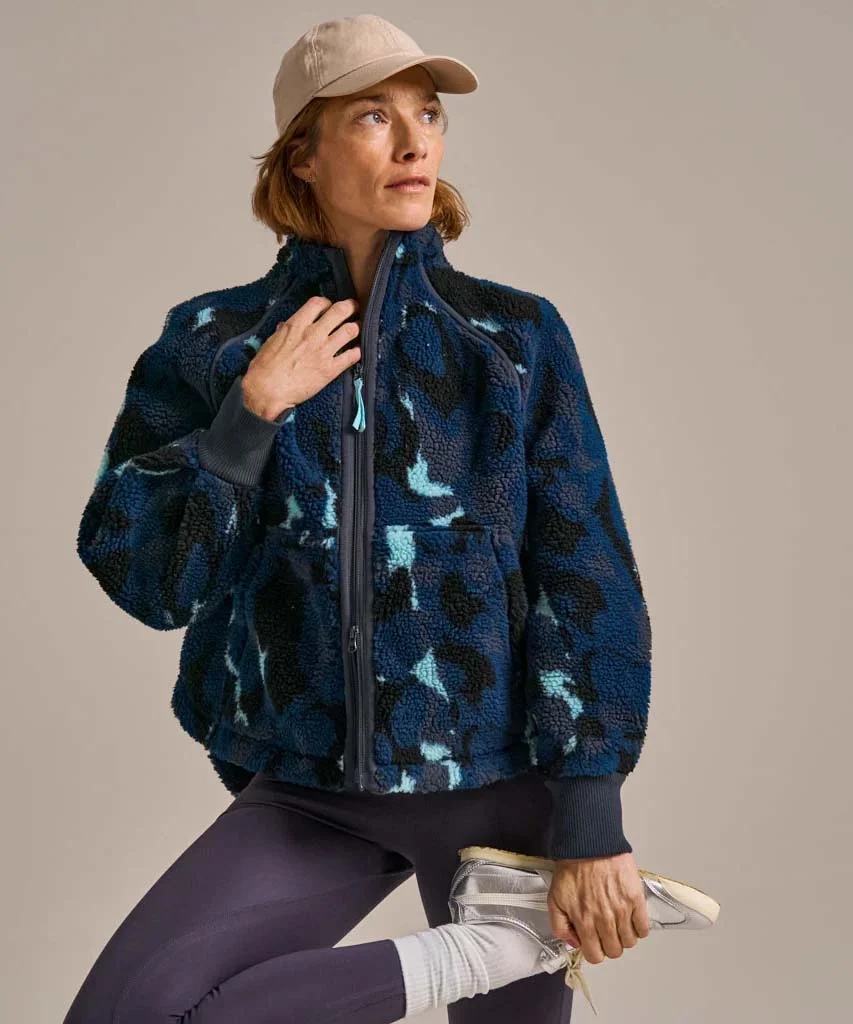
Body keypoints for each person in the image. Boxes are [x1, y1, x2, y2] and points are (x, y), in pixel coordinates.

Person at [66, 14, 657, 1023]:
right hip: (311, 784)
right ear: (304, 152)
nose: (416, 141)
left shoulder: (510, 338)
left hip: (502, 789)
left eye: (429, 115)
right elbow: (148, 578)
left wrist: (592, 814)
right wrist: (249, 413)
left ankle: (506, 932)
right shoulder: (212, 341)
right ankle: (487, 949)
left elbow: (584, 567)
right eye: (374, 116)